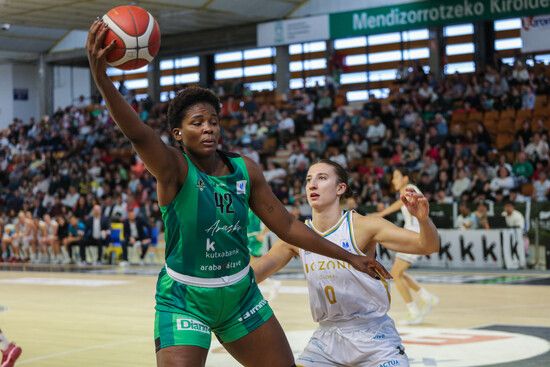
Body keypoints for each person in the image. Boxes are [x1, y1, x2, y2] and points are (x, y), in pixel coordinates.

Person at [87, 20, 388, 367]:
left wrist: (349, 256)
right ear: (178, 134)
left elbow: (287, 227)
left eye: (213, 120)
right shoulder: (173, 168)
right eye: (197, 122)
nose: (208, 128)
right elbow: (139, 135)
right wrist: (102, 77)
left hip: (240, 295)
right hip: (185, 297)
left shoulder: (245, 169)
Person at [252, 160, 440, 366]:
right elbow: (252, 276)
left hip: (374, 337)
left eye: (322, 178)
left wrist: (423, 220)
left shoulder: (364, 226)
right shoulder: (295, 237)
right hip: (326, 341)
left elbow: (427, 246)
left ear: (340, 188)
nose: (312, 184)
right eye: (308, 180)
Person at [373, 167, 440, 325]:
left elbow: (400, 203)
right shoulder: (408, 191)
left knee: (395, 273)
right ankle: (427, 297)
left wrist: (381, 214)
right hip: (413, 234)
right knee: (399, 273)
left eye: (396, 176)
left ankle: (414, 311)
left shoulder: (410, 189)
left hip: (416, 235)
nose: (392, 180)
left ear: (405, 178)